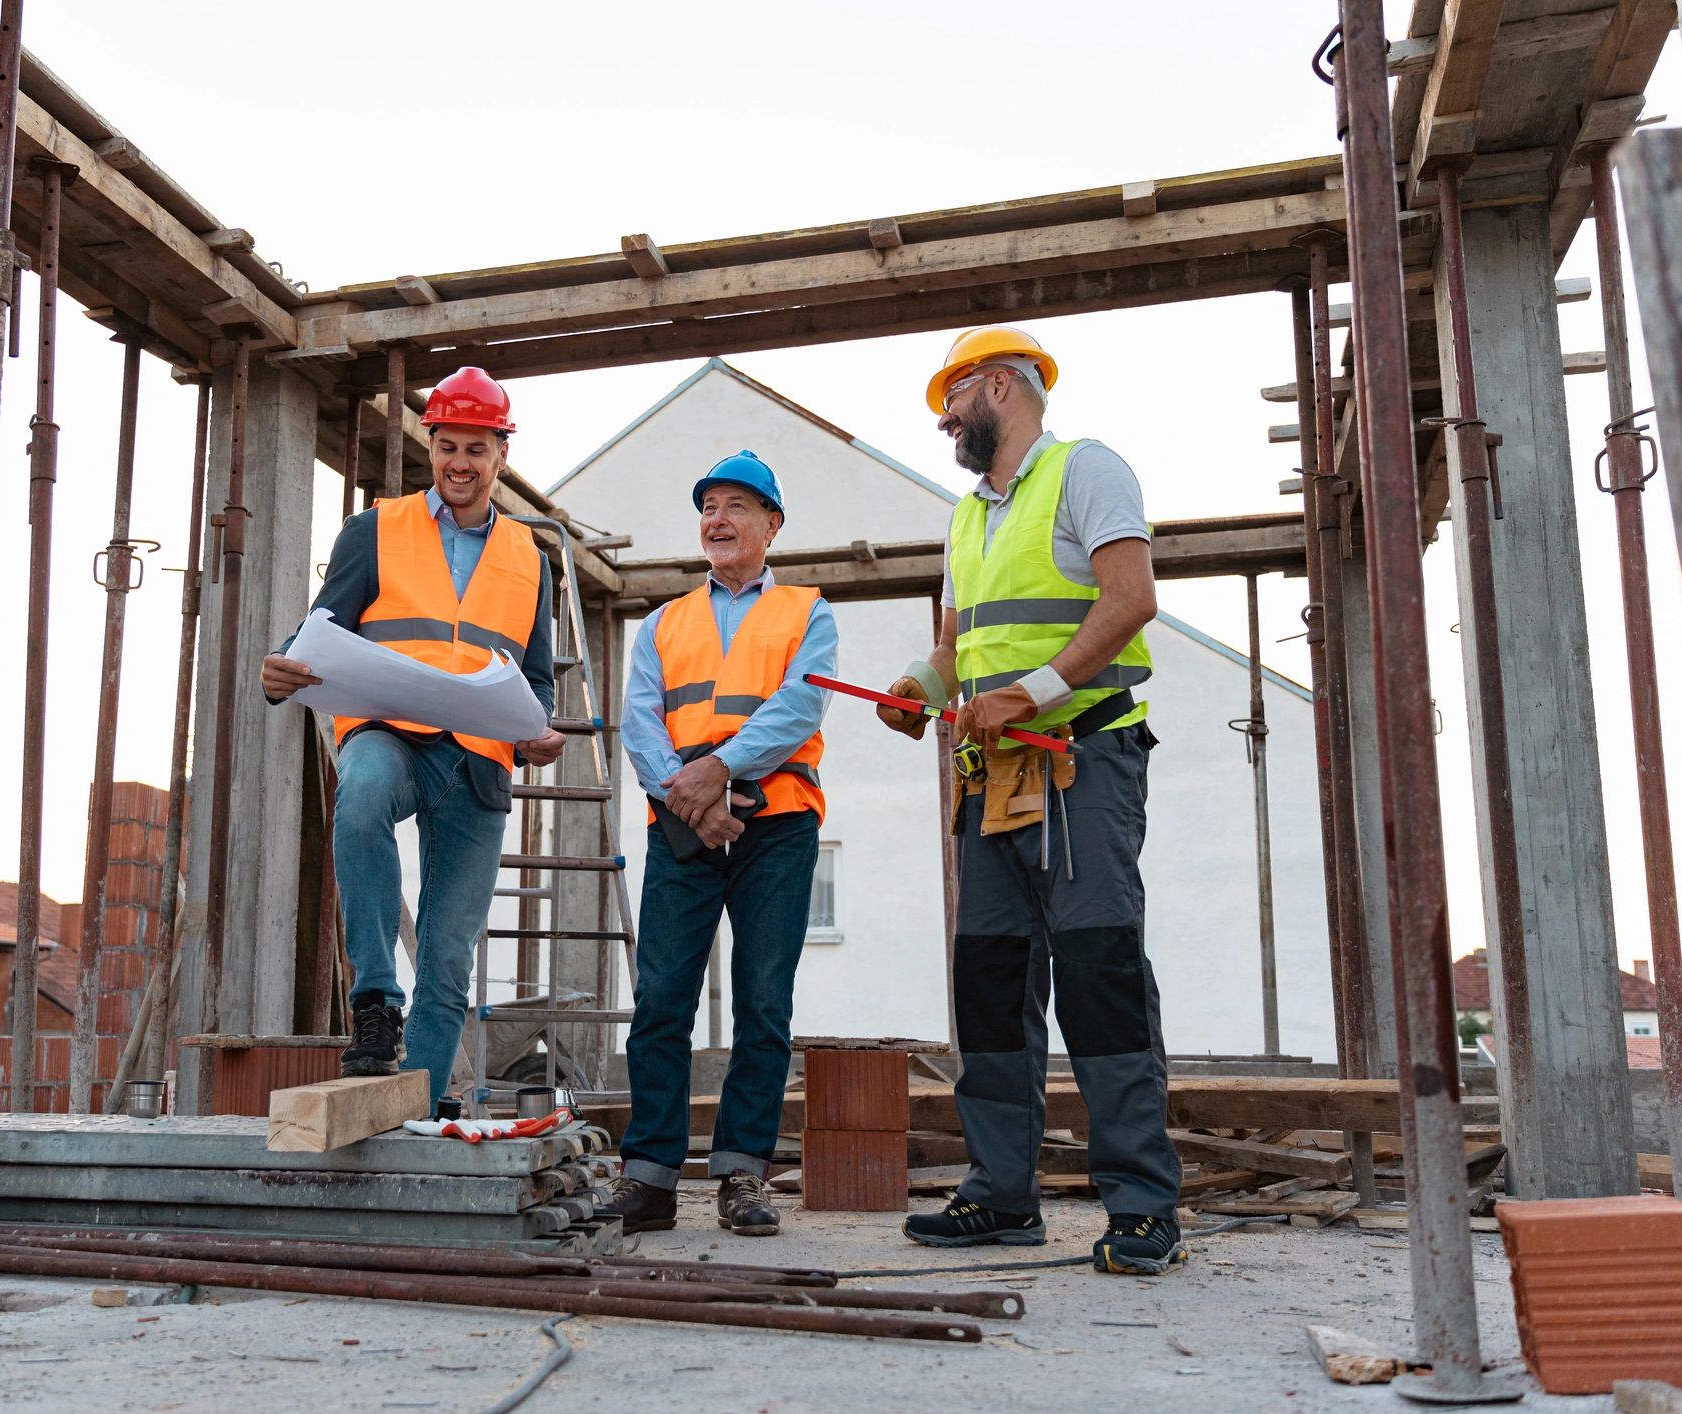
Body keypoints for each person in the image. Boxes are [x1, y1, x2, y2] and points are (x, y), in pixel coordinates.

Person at [878, 327, 1186, 1275]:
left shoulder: (1086, 472)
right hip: (993, 783)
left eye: (953, 397)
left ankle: (1139, 1206)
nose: (943, 419)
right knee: (991, 986)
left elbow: (1129, 600)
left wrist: (1034, 693)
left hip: (1078, 763)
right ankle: (1000, 1195)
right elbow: (954, 651)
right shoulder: (965, 517)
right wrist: (915, 692)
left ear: (1002, 388)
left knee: (1098, 976)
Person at [259, 367, 566, 1110]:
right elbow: (316, 634)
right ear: (430, 447)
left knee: (449, 948)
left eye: (477, 449)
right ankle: (373, 1001)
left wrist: (538, 733)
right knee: (359, 796)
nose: (460, 463)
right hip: (386, 732)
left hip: (477, 760)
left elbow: (536, 676)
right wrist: (280, 668)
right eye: (447, 446)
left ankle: (422, 1101)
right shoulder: (374, 530)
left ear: (500, 455)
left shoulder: (531, 558)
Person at [595, 451, 837, 1238]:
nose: (718, 519)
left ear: (772, 525)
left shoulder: (808, 611)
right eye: (708, 506)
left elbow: (800, 707)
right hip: (682, 823)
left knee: (763, 1003)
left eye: (737, 506)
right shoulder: (663, 622)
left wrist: (717, 772)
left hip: (777, 820)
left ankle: (741, 1173)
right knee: (662, 1000)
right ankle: (651, 1179)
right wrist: (689, 799)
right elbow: (638, 720)